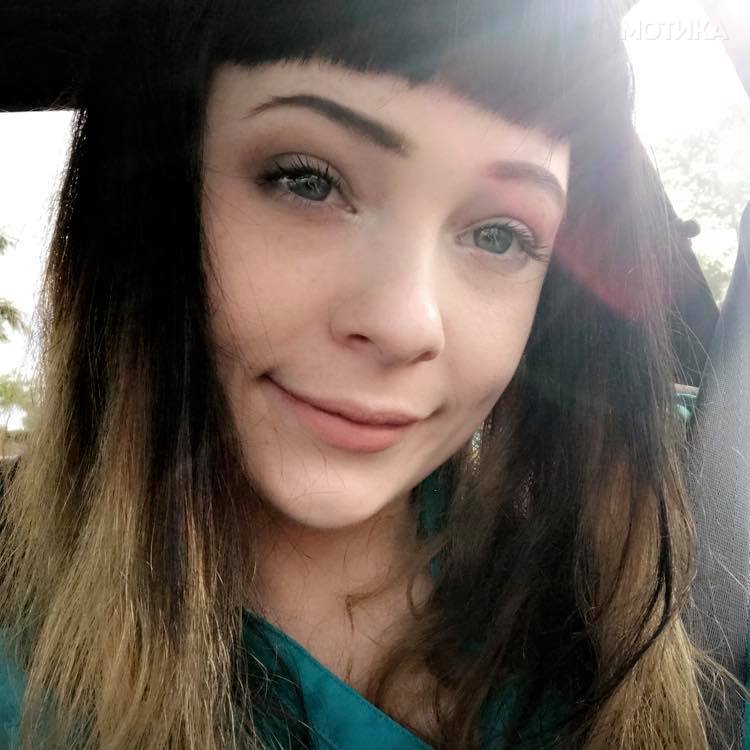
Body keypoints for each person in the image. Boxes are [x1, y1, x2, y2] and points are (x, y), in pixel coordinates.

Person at [0, 0, 738, 747]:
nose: (404, 324)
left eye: (498, 235)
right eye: (307, 182)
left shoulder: (621, 631)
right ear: (150, 203)